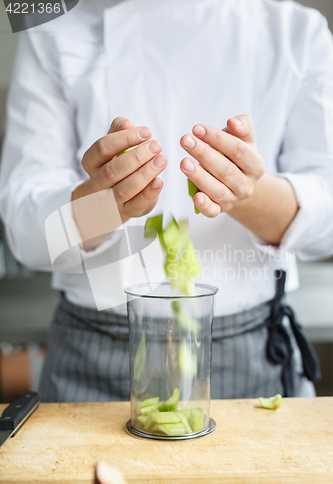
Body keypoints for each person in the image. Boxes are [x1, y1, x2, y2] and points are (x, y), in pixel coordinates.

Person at [0, 0, 332, 403]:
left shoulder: (297, 31)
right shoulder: (52, 29)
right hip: (93, 359)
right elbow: (25, 235)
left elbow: (326, 224)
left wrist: (244, 191)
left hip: (249, 356)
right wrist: (106, 201)